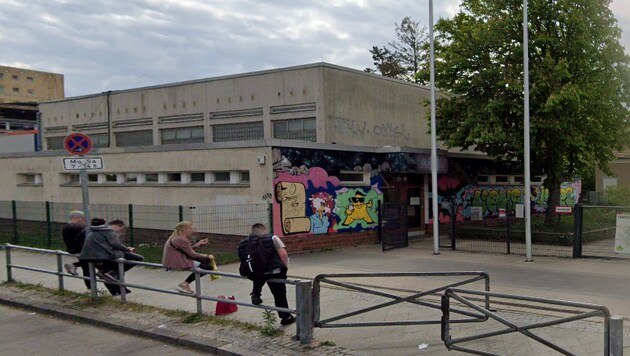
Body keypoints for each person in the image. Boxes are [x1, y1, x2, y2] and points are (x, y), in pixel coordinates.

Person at [239, 223, 295, 326]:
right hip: (273, 271)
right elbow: (283, 254)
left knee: (259, 276)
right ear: (264, 230)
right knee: (279, 294)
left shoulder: (245, 242)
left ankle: (256, 293)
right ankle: (286, 317)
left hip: (256, 273)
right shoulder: (273, 238)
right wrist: (284, 267)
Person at [80, 218, 143, 295]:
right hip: (103, 255)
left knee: (111, 271)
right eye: (122, 229)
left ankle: (116, 288)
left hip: (93, 255)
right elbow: (115, 244)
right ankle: (116, 286)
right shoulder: (108, 231)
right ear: (120, 226)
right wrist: (127, 249)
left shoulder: (93, 230)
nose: (122, 232)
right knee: (133, 261)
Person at [162, 221, 215, 294]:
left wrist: (197, 245)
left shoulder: (175, 237)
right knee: (208, 267)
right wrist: (208, 255)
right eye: (190, 229)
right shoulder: (181, 239)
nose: (192, 231)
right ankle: (185, 283)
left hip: (174, 260)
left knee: (205, 262)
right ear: (184, 229)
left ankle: (194, 273)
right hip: (177, 262)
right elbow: (192, 254)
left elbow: (187, 251)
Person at [61, 210, 91, 289]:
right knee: (88, 266)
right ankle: (74, 265)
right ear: (78, 218)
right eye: (83, 218)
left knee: (86, 266)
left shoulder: (66, 227)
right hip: (81, 249)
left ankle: (90, 286)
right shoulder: (77, 227)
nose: (84, 221)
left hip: (73, 249)